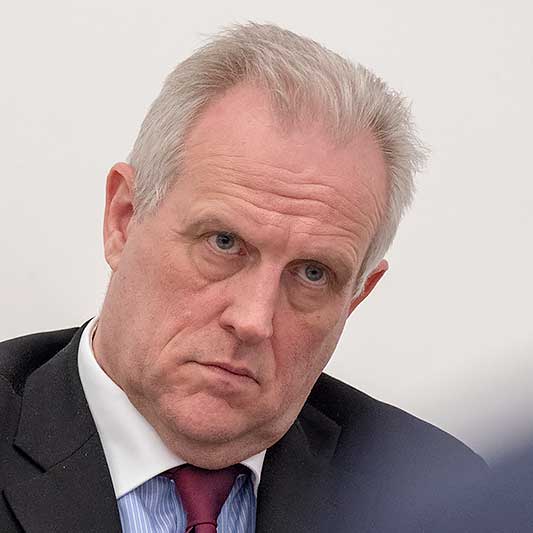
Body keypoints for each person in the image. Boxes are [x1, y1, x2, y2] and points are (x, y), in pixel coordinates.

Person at [0, 23, 487, 533]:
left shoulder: (436, 501)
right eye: (224, 243)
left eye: (313, 274)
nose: (254, 320)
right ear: (123, 219)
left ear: (355, 298)